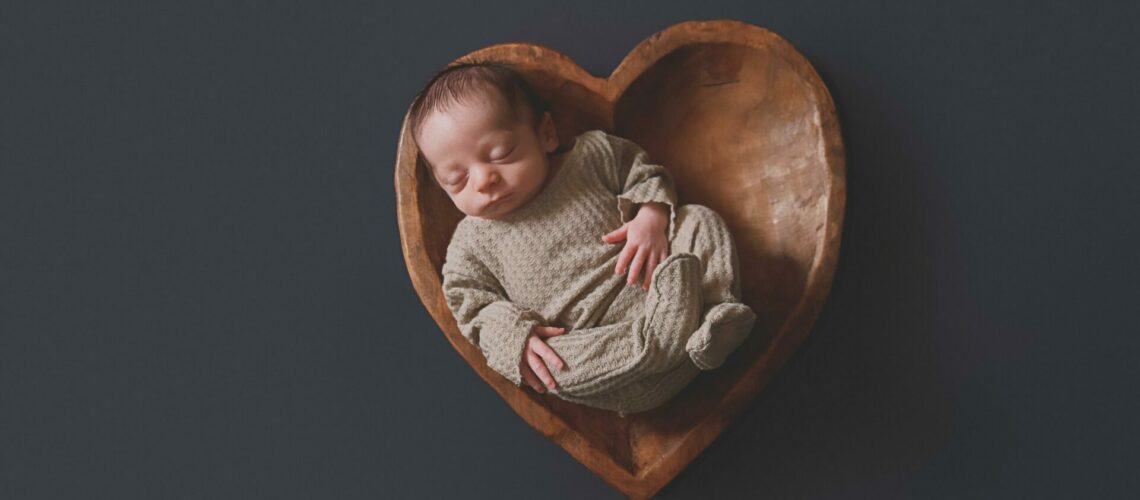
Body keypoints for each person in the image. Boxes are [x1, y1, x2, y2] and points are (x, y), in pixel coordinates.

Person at [407, 60, 757, 415]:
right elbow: (471, 306)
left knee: (697, 218)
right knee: (551, 366)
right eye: (457, 179)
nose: (483, 180)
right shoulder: (470, 245)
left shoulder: (593, 155)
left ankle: (717, 313)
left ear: (545, 133)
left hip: (682, 309)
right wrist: (514, 337)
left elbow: (644, 174)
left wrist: (650, 216)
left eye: (501, 154)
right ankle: (661, 343)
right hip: (616, 365)